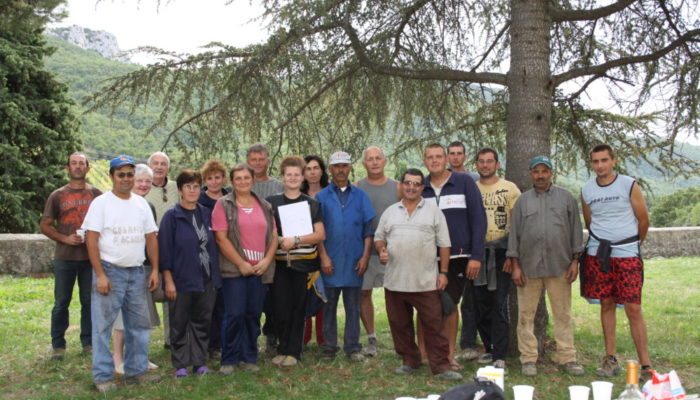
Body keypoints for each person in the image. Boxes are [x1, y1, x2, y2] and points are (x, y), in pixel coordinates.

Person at [82, 155, 161, 393]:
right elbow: (92, 239)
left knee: (139, 325)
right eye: (121, 174)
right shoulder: (101, 203)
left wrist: (155, 269)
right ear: (112, 176)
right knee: (103, 326)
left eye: (129, 174)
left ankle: (136, 371)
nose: (126, 179)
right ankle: (103, 375)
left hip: (137, 271)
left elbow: (151, 238)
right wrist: (100, 274)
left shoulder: (141, 204)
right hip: (110, 270)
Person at [374, 168, 462, 381]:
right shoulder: (391, 211)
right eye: (407, 183)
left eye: (416, 184)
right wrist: (381, 250)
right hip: (395, 281)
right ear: (401, 185)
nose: (411, 187)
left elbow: (444, 245)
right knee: (399, 325)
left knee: (434, 325)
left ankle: (441, 366)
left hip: (426, 281)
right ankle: (409, 361)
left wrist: (443, 272)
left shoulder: (433, 211)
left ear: (422, 187)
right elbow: (379, 238)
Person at [507, 155, 585, 377]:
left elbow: (576, 232)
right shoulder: (523, 201)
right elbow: (515, 235)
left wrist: (574, 262)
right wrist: (515, 265)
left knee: (563, 314)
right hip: (528, 268)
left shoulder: (566, 198)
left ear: (551, 173)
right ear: (531, 174)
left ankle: (567, 358)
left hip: (560, 267)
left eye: (544, 171)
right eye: (536, 171)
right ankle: (528, 359)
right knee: (525, 316)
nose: (540, 175)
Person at [580, 144, 652, 380]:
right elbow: (590, 223)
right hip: (599, 254)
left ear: (613, 161)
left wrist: (631, 245)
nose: (600, 165)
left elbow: (643, 220)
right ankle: (610, 358)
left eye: (604, 160)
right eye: (595, 161)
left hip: (627, 253)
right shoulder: (587, 189)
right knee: (606, 304)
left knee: (633, 308)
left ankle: (645, 365)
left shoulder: (628, 184)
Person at [422, 143, 486, 369]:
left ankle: (449, 356)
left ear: (446, 159)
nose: (434, 160)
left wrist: (476, 256)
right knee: (426, 306)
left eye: (438, 156)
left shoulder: (465, 182)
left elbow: (479, 219)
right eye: (430, 157)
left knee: (449, 307)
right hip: (427, 257)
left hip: (459, 256)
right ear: (424, 161)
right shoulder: (421, 187)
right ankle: (425, 355)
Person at [212, 163, 278, 375]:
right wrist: (241, 264)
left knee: (253, 314)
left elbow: (274, 236)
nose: (242, 181)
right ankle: (229, 358)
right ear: (232, 182)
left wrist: (267, 261)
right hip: (235, 269)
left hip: (260, 269)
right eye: (238, 178)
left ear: (253, 180)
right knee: (234, 314)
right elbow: (220, 238)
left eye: (246, 178)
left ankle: (248, 357)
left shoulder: (265, 206)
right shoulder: (223, 205)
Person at [159, 169, 222, 377]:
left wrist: (214, 277)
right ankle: (180, 365)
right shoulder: (172, 217)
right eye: (188, 187)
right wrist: (168, 281)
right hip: (181, 279)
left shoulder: (206, 213)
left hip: (205, 278)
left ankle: (199, 362)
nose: (193, 190)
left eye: (196, 186)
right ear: (180, 190)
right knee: (179, 323)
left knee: (202, 321)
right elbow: (165, 252)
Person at [40, 152, 102, 360]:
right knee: (61, 302)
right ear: (68, 168)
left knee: (89, 301)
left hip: (89, 258)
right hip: (64, 257)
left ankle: (88, 343)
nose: (77, 167)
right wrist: (64, 239)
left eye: (81, 163)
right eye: (73, 163)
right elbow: (45, 225)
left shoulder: (96, 195)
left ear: (87, 168)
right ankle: (58, 345)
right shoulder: (57, 195)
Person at [316, 151, 375, 362]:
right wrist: (323, 257)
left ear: (350, 168)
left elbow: (368, 230)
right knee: (328, 306)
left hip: (354, 262)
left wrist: (366, 257)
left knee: (352, 306)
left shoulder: (360, 196)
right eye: (336, 166)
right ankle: (329, 347)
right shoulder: (321, 197)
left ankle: (353, 347)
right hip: (330, 261)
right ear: (330, 170)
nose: (340, 170)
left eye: (344, 166)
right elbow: (317, 232)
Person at [267, 156, 326, 367]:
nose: (293, 178)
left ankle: (294, 351)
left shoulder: (311, 204)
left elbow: (320, 234)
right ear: (282, 177)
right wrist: (280, 240)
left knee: (297, 308)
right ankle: (282, 348)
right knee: (280, 308)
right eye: (288, 174)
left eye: (296, 175)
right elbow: (267, 232)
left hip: (304, 265)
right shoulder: (271, 202)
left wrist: (297, 240)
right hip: (280, 264)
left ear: (302, 178)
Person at [471, 148, 521, 369]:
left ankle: (500, 354)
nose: (485, 165)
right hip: (477, 253)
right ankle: (489, 348)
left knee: (499, 303)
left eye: (489, 161)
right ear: (476, 165)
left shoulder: (509, 188)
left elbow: (517, 225)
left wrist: (512, 254)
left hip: (502, 251)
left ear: (497, 164)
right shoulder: (471, 189)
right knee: (480, 304)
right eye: (481, 161)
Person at [112, 164, 160, 375]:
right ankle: (118, 359)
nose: (143, 185)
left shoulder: (147, 206)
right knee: (121, 318)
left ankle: (139, 357)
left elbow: (151, 238)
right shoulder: (117, 203)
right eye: (139, 180)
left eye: (147, 181)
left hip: (142, 265)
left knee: (140, 316)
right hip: (120, 265)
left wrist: (154, 268)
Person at [354, 146, 400, 356]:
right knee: (364, 293)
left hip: (393, 251)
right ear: (364, 164)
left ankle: (402, 338)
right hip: (365, 251)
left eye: (378, 158)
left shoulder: (398, 188)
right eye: (369, 159)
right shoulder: (356, 187)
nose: (374, 162)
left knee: (397, 295)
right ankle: (371, 337)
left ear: (385, 161)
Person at [246, 143, 284, 353]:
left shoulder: (278, 186)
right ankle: (250, 339)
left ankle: (272, 336)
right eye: (254, 160)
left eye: (262, 159)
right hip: (247, 251)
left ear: (268, 161)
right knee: (250, 300)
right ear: (248, 161)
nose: (258, 164)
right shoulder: (240, 184)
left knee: (273, 298)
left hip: (274, 249)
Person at [144, 151, 178, 350]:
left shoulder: (175, 187)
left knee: (171, 295)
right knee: (146, 295)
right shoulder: (142, 186)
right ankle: (142, 340)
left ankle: (171, 338)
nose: (159, 167)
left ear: (168, 168)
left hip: (172, 247)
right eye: (155, 163)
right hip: (147, 248)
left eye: (163, 164)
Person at [198, 159, 229, 361]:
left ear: (223, 179)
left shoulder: (230, 198)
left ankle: (221, 343)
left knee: (224, 304)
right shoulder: (200, 200)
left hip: (229, 255)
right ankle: (206, 344)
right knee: (207, 303)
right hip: (207, 256)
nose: (214, 181)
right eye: (210, 178)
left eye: (217, 177)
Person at [301, 155, 330, 346]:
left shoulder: (331, 194)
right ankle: (303, 337)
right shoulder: (297, 196)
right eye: (308, 168)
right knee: (303, 295)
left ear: (322, 171)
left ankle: (324, 338)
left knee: (324, 295)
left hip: (327, 249)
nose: (312, 172)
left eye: (316, 168)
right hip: (302, 251)